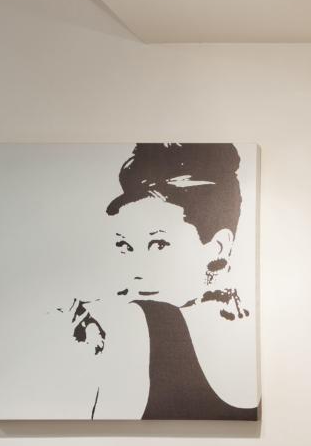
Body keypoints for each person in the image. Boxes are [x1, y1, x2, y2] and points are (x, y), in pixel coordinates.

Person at [63, 143, 258, 420]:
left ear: (218, 247)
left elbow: (104, 439)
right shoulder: (256, 336)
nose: (136, 270)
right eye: (125, 247)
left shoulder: (135, 322)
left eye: (159, 245)